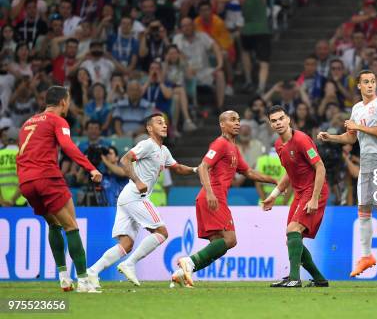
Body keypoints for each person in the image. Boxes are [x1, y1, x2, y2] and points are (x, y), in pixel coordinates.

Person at [87, 113, 199, 288]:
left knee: (126, 243)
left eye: (165, 123)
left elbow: (177, 168)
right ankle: (129, 264)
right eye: (159, 123)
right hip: (135, 195)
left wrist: (195, 170)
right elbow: (125, 160)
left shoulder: (164, 151)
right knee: (162, 232)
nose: (164, 125)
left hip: (126, 198)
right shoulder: (147, 145)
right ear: (149, 128)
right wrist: (138, 181)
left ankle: (92, 272)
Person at [317, 70, 377, 277]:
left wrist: (356, 126)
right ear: (358, 86)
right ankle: (367, 256)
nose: (370, 85)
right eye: (366, 82)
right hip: (368, 162)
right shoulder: (357, 108)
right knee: (363, 210)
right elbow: (351, 138)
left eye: (373, 82)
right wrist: (330, 137)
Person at [171, 111, 277, 287]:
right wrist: (210, 192)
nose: (237, 123)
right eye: (232, 120)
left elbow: (249, 172)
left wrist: (274, 180)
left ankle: (181, 273)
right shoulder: (220, 144)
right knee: (230, 239)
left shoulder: (233, 148)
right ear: (222, 124)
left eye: (238, 120)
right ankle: (188, 263)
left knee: (217, 245)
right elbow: (204, 167)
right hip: (213, 197)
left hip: (210, 198)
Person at [16, 86, 103, 293]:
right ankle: (83, 282)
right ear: (63, 102)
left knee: (53, 224)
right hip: (47, 177)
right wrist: (91, 168)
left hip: (26, 182)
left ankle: (64, 278)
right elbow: (68, 146)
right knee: (71, 225)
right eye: (69, 100)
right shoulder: (57, 120)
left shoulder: (27, 123)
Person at [264, 106, 329, 287]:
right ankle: (319, 280)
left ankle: (294, 278)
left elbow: (320, 167)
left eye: (281, 118)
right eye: (274, 120)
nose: (278, 123)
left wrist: (315, 198)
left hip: (315, 189)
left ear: (288, 119)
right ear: (271, 125)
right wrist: (274, 194)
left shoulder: (301, 140)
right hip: (300, 193)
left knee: (293, 231)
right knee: (292, 237)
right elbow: (289, 173)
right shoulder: (278, 145)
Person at [0, 127, 26, 206]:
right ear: (19, 140)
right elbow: (25, 181)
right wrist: (12, 200)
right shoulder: (23, 156)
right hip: (20, 201)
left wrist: (2, 201)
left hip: (2, 203)